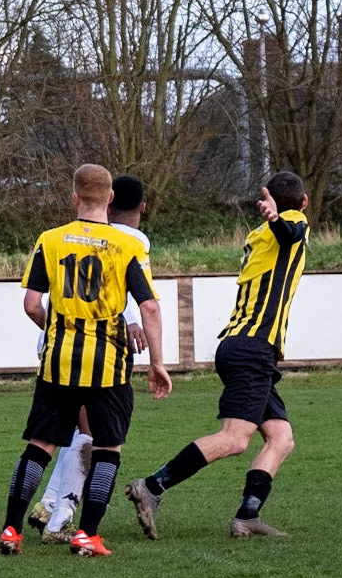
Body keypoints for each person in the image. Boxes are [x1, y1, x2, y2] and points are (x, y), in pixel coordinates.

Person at [0, 164, 171, 558]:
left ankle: (11, 530)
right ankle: (86, 535)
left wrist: (57, 329)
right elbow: (149, 307)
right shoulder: (126, 246)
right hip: (107, 364)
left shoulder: (51, 240)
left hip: (58, 361)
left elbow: (30, 304)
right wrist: (157, 363)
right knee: (108, 447)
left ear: (74, 196)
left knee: (39, 446)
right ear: (110, 199)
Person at [125, 172, 308, 540]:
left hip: (243, 347)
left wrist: (271, 220)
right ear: (303, 204)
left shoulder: (258, 236)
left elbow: (280, 237)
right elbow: (290, 232)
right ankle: (152, 486)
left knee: (281, 437)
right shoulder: (291, 223)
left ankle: (247, 515)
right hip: (252, 349)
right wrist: (278, 217)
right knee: (235, 439)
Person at [28, 175, 150, 544]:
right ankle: (60, 518)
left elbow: (36, 300)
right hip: (96, 349)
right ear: (142, 206)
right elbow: (125, 293)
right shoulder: (131, 240)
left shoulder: (68, 234)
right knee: (91, 434)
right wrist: (132, 324)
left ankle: (49, 505)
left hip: (56, 342)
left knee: (66, 434)